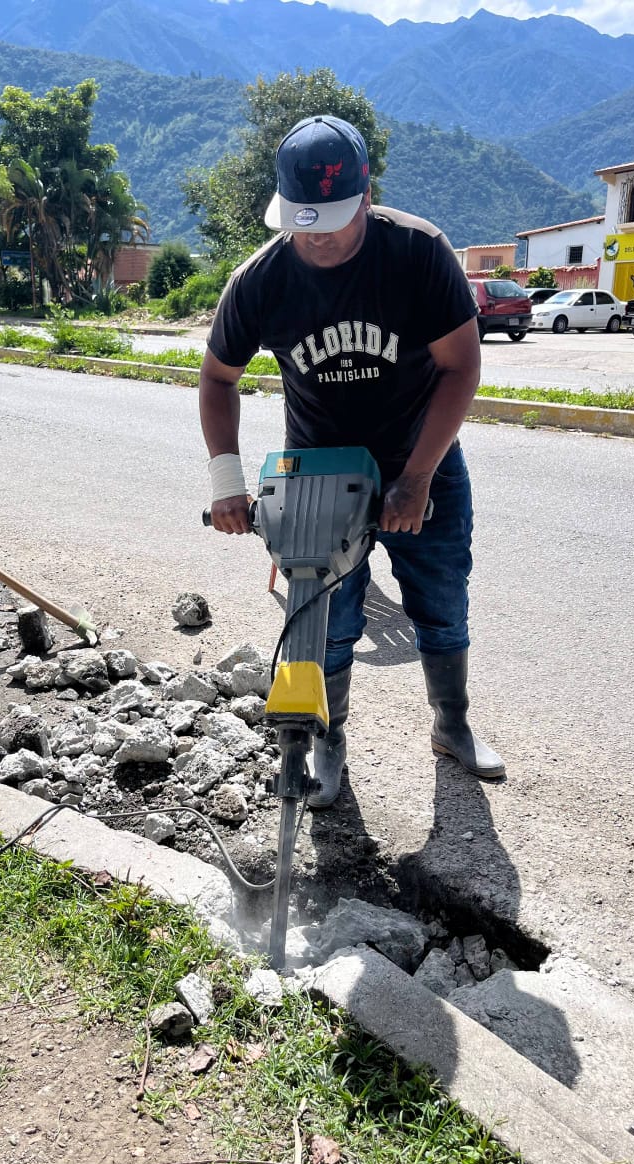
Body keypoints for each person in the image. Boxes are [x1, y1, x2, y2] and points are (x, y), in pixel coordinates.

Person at [199, 113, 505, 807]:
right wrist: (226, 483)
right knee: (323, 625)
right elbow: (218, 378)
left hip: (420, 456)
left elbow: (462, 368)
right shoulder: (260, 281)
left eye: (333, 219)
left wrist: (418, 478)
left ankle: (451, 726)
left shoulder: (419, 253)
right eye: (302, 221)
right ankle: (330, 749)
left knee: (441, 602)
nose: (318, 236)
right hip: (318, 475)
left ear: (368, 196)